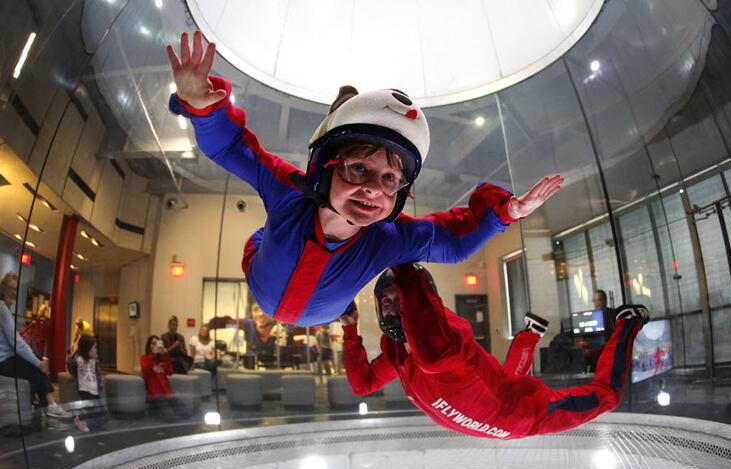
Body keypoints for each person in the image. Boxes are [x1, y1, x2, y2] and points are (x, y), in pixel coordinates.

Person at [166, 31, 564, 327]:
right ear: (325, 167)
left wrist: (504, 213)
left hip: (326, 310)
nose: (374, 188)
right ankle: (341, 117)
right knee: (259, 239)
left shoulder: (386, 240)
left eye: (390, 178)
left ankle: (345, 117)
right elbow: (233, 148)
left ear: (402, 192)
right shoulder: (288, 192)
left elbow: (454, 243)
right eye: (359, 169)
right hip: (261, 274)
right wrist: (202, 106)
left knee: (281, 245)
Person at [341, 265, 648, 439]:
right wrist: (350, 330)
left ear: (422, 300)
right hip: (494, 408)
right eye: (385, 301)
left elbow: (433, 358)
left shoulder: (447, 335)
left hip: (527, 416)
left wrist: (405, 267)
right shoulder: (398, 352)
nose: (390, 306)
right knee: (505, 379)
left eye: (400, 298)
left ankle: (629, 322)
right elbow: (362, 383)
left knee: (608, 394)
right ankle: (531, 333)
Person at [0, 272, 71, 420]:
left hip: (7, 359)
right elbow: (16, 343)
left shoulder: (4, 309)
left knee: (36, 360)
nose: (13, 292)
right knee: (36, 366)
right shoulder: (2, 309)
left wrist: (37, 360)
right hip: (4, 363)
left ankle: (49, 407)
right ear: (3, 289)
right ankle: (51, 406)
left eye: (15, 288)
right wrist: (38, 363)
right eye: (10, 288)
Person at [140, 336, 191, 422]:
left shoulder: (162, 359)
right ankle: (154, 412)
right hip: (155, 394)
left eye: (157, 343)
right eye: (153, 343)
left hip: (167, 393)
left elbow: (169, 371)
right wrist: (153, 355)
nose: (155, 345)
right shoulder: (144, 358)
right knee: (170, 417)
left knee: (186, 413)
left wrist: (166, 354)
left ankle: (157, 412)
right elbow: (146, 371)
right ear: (149, 346)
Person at [67, 335, 106, 433]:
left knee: (101, 412)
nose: (96, 350)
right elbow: (70, 364)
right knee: (91, 408)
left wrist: (100, 384)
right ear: (87, 349)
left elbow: (97, 371)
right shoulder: (78, 358)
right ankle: (78, 418)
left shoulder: (94, 358)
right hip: (85, 389)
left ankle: (93, 422)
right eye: (94, 348)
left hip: (94, 389)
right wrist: (73, 374)